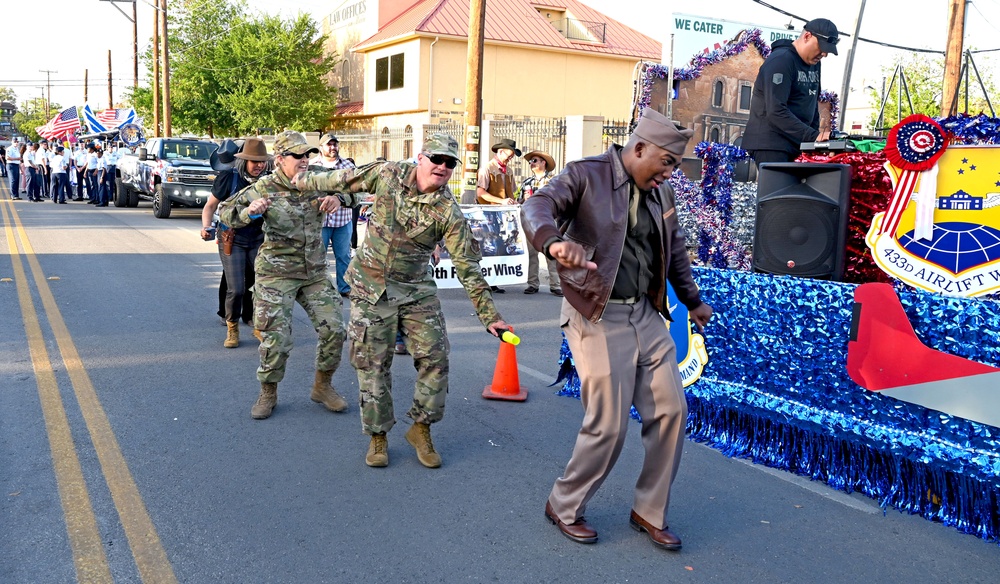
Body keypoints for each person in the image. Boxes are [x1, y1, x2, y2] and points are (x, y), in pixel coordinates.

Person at [521, 107, 714, 551]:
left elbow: (675, 251)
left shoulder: (661, 196)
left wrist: (693, 300)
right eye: (666, 162)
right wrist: (553, 241)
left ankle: (650, 510)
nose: (670, 173)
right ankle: (564, 504)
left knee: (670, 411)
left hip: (645, 314)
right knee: (608, 424)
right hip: (596, 312)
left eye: (675, 165)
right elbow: (538, 205)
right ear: (639, 147)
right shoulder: (585, 175)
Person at [291, 133, 510, 469]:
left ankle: (421, 429)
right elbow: (342, 179)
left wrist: (489, 316)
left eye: (450, 163)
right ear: (421, 158)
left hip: (415, 290)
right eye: (437, 158)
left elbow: (468, 266)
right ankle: (378, 437)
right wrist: (301, 179)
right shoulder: (388, 173)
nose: (442, 167)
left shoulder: (448, 212)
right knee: (372, 366)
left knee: (436, 357)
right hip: (369, 289)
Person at [217, 131, 350, 421]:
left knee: (335, 330)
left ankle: (323, 386)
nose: (304, 160)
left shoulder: (317, 178)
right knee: (276, 337)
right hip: (276, 274)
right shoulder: (264, 187)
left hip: (313, 272)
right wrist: (250, 212)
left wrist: (340, 198)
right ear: (280, 160)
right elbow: (226, 212)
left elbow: (353, 187)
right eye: (297, 156)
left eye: (307, 155)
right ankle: (268, 392)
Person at [201, 138, 271, 348]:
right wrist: (206, 227)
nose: (259, 165)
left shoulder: (269, 181)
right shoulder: (229, 179)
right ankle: (232, 328)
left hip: (259, 238)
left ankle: (258, 325)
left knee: (260, 285)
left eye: (262, 162)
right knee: (237, 289)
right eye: (253, 161)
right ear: (243, 161)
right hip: (233, 238)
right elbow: (210, 207)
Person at [741, 18, 840, 167]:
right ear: (807, 36)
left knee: (799, 190)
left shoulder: (814, 63)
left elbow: (812, 105)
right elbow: (775, 111)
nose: (824, 54)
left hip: (797, 142)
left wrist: (816, 143)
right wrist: (814, 136)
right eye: (821, 47)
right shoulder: (781, 60)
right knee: (779, 190)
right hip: (772, 143)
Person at [311, 132, 355, 297]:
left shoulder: (347, 167)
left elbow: (357, 191)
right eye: (329, 144)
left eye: (335, 144)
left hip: (342, 221)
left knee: (343, 256)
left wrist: (340, 198)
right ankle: (319, 290)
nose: (332, 147)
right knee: (317, 257)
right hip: (320, 222)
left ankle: (344, 287)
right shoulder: (312, 166)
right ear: (321, 148)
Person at [476, 138, 521, 293]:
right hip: (489, 214)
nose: (510, 159)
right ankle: (485, 281)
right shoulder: (487, 168)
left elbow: (511, 193)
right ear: (500, 151)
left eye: (511, 157)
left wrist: (514, 202)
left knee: (501, 246)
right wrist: (501, 201)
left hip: (504, 215)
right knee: (490, 247)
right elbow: (480, 192)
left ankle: (495, 280)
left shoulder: (508, 171)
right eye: (508, 156)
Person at [517, 149, 562, 297]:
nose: (532, 163)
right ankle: (532, 283)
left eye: (535, 160)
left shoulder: (554, 181)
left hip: (549, 219)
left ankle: (555, 285)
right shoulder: (527, 182)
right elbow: (519, 202)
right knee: (531, 253)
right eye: (530, 161)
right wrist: (524, 200)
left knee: (551, 252)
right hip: (531, 220)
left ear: (544, 162)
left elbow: (561, 199)